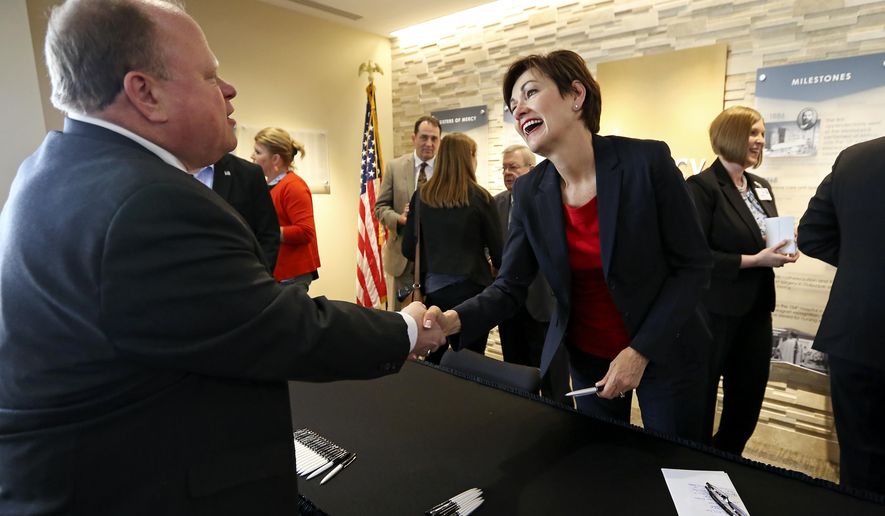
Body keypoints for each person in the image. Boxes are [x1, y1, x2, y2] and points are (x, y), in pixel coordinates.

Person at [0, 2, 444, 514]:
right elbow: (277, 326)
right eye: (210, 75)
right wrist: (405, 329)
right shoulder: (147, 201)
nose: (229, 90)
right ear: (145, 93)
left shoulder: (51, 168)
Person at [427, 50, 713, 441]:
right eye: (513, 106)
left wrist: (640, 351)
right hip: (589, 358)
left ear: (576, 95)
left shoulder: (646, 162)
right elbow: (510, 286)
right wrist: (451, 322)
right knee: (603, 468)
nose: (519, 110)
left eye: (530, 92)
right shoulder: (530, 190)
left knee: (678, 474)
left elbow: (693, 267)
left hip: (666, 350)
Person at [685, 106, 800, 454]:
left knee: (748, 399)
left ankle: (726, 460)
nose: (760, 141)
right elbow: (697, 256)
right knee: (701, 398)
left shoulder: (760, 186)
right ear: (730, 135)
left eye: (762, 134)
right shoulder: (702, 187)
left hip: (756, 310)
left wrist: (783, 249)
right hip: (714, 313)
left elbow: (763, 236)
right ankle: (694, 465)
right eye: (753, 133)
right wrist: (755, 261)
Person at [798, 136, 885, 496]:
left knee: (859, 463)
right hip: (855, 336)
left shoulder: (855, 157)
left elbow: (811, 235)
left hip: (854, 332)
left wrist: (860, 268)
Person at [402, 133, 502, 364]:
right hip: (474, 295)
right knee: (471, 362)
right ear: (469, 158)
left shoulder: (421, 196)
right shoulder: (482, 197)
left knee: (435, 359)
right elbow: (499, 253)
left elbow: (409, 249)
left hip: (433, 293)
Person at [495, 145, 571, 404]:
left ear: (531, 168)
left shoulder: (551, 200)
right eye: (504, 167)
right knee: (516, 379)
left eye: (513, 167)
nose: (507, 172)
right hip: (510, 309)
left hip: (545, 306)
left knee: (554, 382)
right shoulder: (496, 204)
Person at [375, 115, 442, 309]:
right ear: (414, 138)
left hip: (436, 260)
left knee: (434, 320)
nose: (429, 143)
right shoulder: (395, 167)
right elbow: (380, 208)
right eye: (424, 137)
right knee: (402, 321)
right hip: (402, 258)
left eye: (434, 139)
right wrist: (400, 219)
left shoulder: (445, 170)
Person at [252, 127, 320, 290]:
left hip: (291, 275)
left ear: (275, 159)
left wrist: (269, 232)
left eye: (258, 152)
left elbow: (305, 232)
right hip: (275, 272)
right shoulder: (269, 186)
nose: (252, 156)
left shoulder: (293, 186)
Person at [192, 153, 280, 273]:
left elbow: (268, 233)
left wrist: (259, 275)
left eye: (258, 152)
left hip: (237, 277)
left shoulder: (248, 173)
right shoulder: (167, 168)